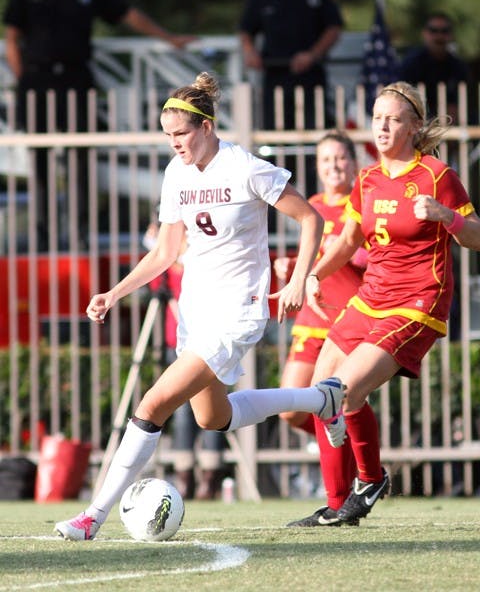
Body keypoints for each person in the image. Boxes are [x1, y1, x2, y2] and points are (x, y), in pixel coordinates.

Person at [54, 71, 346, 540]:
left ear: (207, 126)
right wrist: (114, 292)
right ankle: (322, 399)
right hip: (195, 311)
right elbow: (165, 253)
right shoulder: (176, 173)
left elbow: (310, 219)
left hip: (238, 311)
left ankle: (93, 516)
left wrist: (301, 276)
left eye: (181, 134)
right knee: (214, 418)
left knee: (152, 403)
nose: (174, 144)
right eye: (168, 136)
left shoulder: (246, 167)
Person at [290, 81, 480, 525]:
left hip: (417, 302)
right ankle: (341, 506)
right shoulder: (368, 179)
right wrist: (315, 273)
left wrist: (446, 216)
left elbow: (477, 237)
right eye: (377, 118)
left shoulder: (437, 175)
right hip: (371, 296)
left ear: (414, 126)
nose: (382, 126)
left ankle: (369, 481)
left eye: (393, 119)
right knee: (319, 394)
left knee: (343, 391)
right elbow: (347, 239)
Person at [3, 0, 196, 249]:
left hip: (77, 80)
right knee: (40, 162)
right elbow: (12, 39)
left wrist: (168, 38)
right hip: (38, 83)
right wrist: (24, 81)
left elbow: (128, 14)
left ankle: (78, 235)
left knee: (82, 160)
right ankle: (43, 237)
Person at [273, 131, 367, 526]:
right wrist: (290, 266)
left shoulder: (361, 203)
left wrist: (340, 254)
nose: (334, 166)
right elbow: (310, 255)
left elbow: (362, 256)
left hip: (347, 317)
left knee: (330, 402)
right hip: (313, 318)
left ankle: (349, 486)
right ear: (317, 167)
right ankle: (350, 458)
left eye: (341, 159)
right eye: (326, 160)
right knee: (292, 411)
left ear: (352, 162)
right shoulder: (311, 206)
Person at [143, 221, 225, 500]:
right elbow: (155, 284)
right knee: (181, 412)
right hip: (175, 343)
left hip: (204, 342)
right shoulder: (169, 266)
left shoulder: (201, 263)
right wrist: (153, 246)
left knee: (212, 409)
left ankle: (210, 475)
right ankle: (184, 473)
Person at [238, 0, 344, 195]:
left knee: (314, 142)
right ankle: (274, 206)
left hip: (310, 82)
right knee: (273, 145)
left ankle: (316, 200)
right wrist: (250, 51)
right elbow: (245, 30)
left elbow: (334, 27)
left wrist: (312, 55)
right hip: (274, 81)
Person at [398, 12, 469, 123]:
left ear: (450, 35)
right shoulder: (411, 64)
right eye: (433, 30)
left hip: (448, 125)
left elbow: (460, 105)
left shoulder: (458, 67)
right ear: (425, 33)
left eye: (444, 31)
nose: (439, 36)